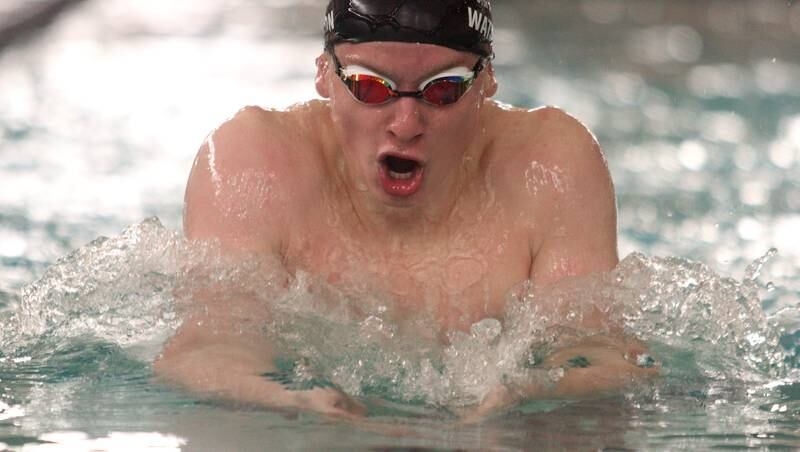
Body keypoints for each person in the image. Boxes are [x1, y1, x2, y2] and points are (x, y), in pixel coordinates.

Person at [154, 0, 656, 420]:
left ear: (487, 84)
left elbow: (603, 352)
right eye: (372, 87)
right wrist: (292, 402)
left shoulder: (549, 167)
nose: (407, 122)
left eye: (444, 89)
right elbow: (207, 346)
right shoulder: (254, 166)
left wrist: (535, 394)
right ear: (325, 76)